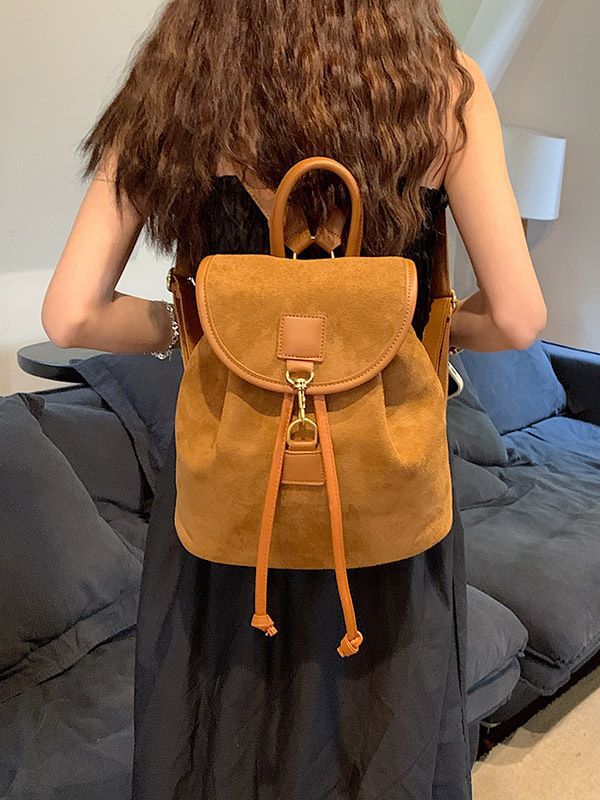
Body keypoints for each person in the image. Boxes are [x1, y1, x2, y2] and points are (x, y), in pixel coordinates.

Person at [41, 1, 547, 797]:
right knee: (383, 748)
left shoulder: (174, 83)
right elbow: (517, 317)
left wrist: (201, 328)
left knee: (216, 743)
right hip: (384, 492)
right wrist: (407, 335)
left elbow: (72, 314)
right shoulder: (446, 85)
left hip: (227, 489)